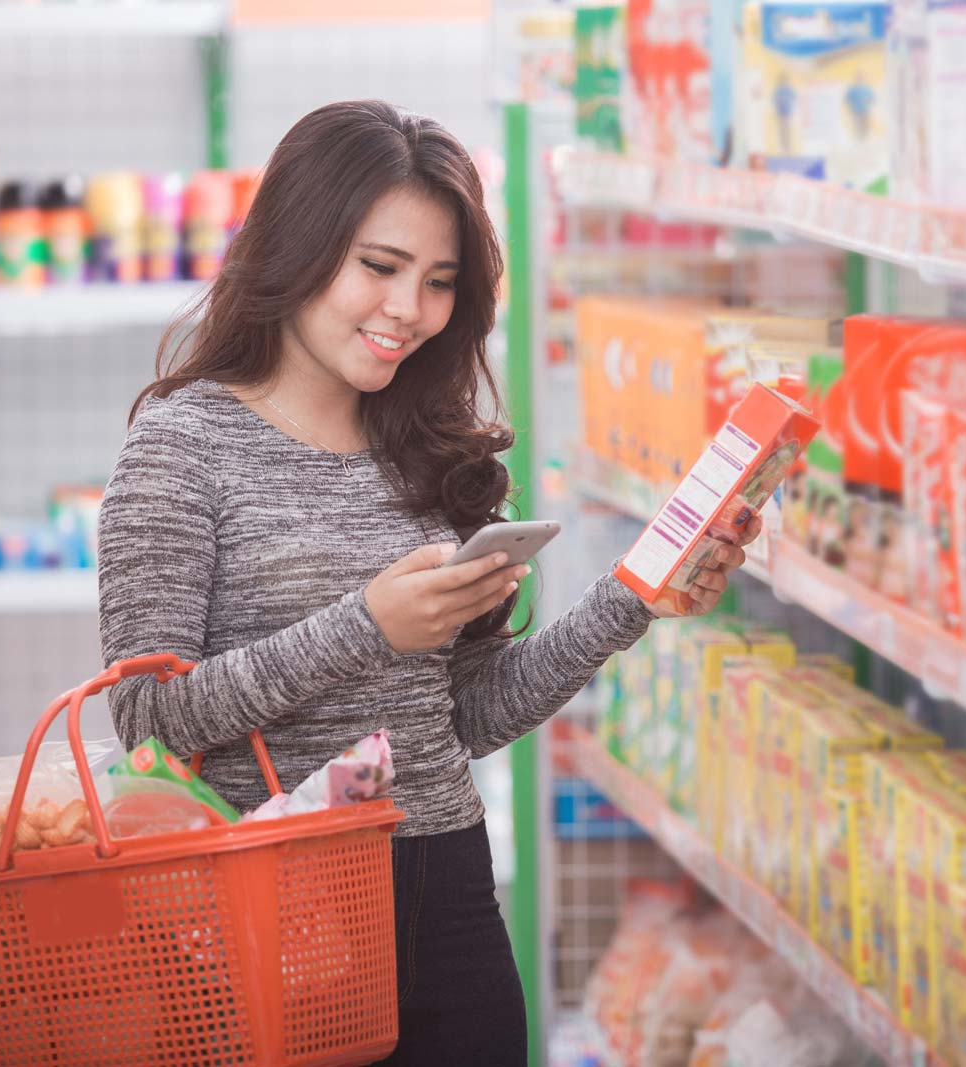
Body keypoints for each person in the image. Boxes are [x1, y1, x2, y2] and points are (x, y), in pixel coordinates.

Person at [96, 99, 756, 1066]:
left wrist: (633, 600)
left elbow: (462, 721)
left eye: (440, 281)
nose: (409, 309)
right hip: (259, 901)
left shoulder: (424, 450)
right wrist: (366, 626)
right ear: (295, 243)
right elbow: (149, 719)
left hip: (445, 893)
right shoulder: (182, 445)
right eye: (380, 266)